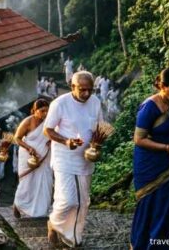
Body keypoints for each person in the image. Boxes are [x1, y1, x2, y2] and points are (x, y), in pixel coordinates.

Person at [130, 67, 169, 250]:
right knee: (157, 211)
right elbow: (139, 139)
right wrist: (167, 148)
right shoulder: (150, 107)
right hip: (152, 166)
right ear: (162, 86)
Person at [43, 71, 103, 248]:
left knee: (83, 201)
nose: (86, 94)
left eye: (90, 90)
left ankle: (73, 237)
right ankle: (54, 222)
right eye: (82, 90)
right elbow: (48, 129)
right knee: (69, 200)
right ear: (72, 87)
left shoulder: (95, 102)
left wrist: (96, 144)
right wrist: (66, 141)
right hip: (65, 158)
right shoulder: (59, 103)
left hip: (86, 159)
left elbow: (100, 127)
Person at [13, 98, 53, 218]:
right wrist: (29, 148)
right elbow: (17, 138)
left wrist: (51, 141)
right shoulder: (28, 121)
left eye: (47, 111)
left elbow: (54, 134)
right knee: (27, 182)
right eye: (42, 111)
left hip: (44, 154)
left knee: (45, 181)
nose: (45, 114)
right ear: (34, 111)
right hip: (28, 155)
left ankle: (41, 211)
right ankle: (18, 204)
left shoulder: (49, 121)